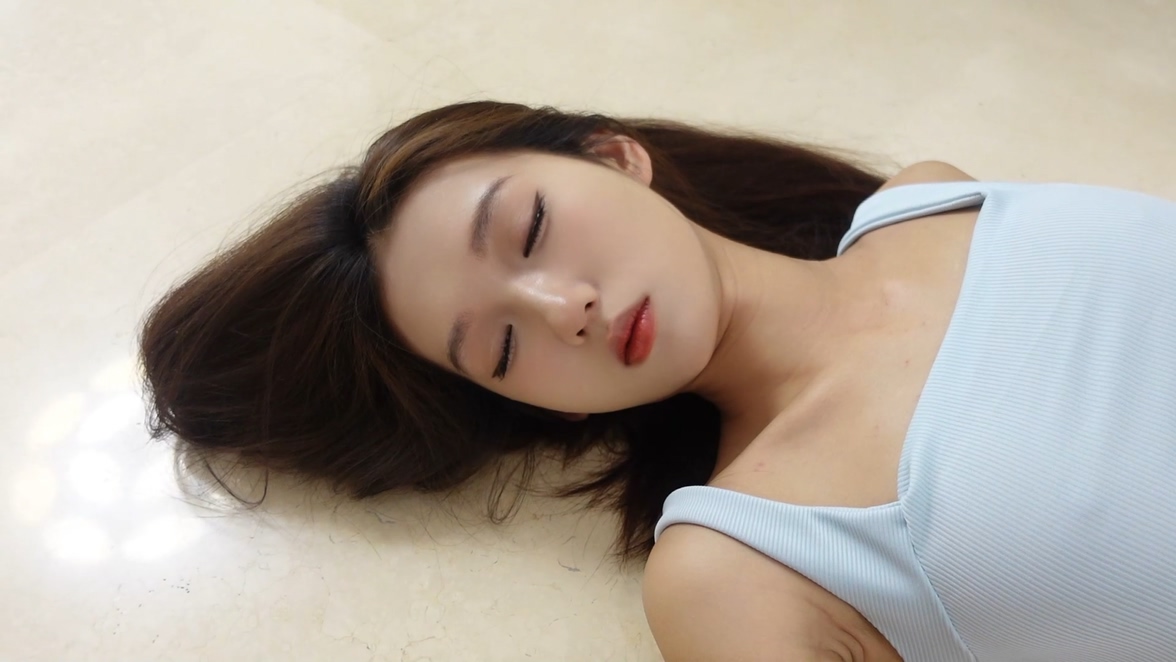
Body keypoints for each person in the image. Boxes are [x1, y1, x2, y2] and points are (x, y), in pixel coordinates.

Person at [139, 100, 1176, 661]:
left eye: (530, 230)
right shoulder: (740, 568)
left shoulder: (933, 199)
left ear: (614, 155)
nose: (564, 308)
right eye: (503, 349)